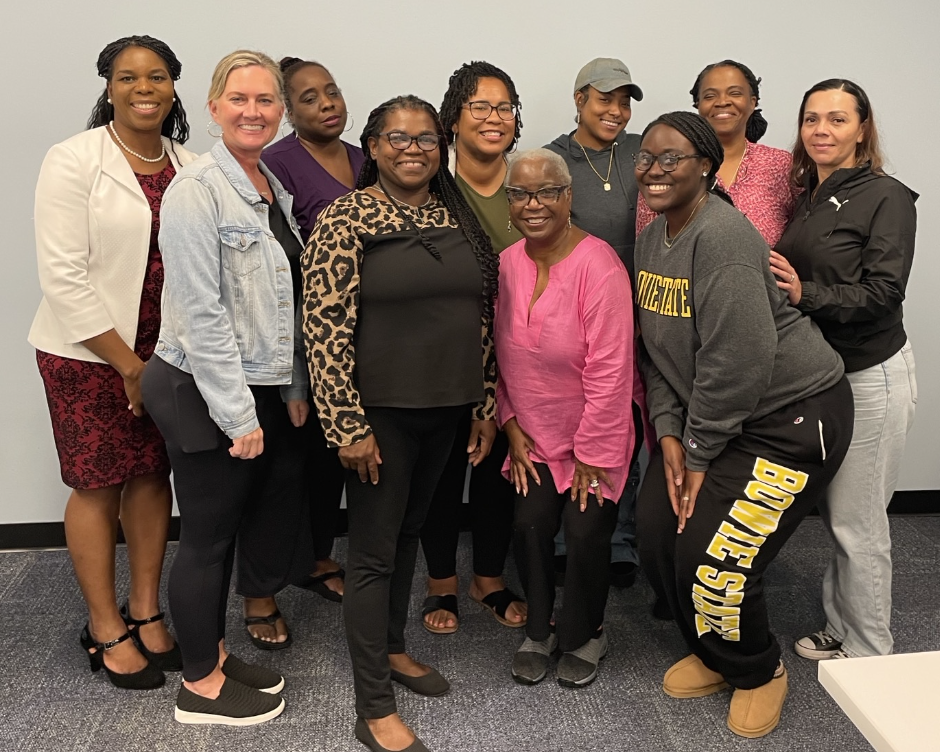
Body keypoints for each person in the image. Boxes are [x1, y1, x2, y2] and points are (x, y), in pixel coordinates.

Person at [633, 111, 855, 738]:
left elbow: (738, 360)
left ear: (706, 164)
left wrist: (698, 454)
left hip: (791, 415)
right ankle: (715, 654)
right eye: (646, 157)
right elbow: (657, 350)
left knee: (716, 558)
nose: (654, 168)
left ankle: (758, 670)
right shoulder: (654, 239)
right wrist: (670, 435)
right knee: (657, 532)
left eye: (671, 156)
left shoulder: (722, 236)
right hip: (714, 417)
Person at [301, 95, 498, 752]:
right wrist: (344, 425)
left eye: (425, 140)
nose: (413, 150)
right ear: (374, 147)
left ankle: (390, 648)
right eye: (398, 139)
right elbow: (323, 328)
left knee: (411, 532)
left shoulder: (452, 215)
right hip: (378, 414)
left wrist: (482, 401)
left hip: (446, 406)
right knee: (374, 554)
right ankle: (372, 706)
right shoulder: (345, 218)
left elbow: (479, 318)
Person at [142, 50, 309, 726]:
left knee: (232, 526)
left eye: (265, 100)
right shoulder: (196, 188)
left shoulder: (269, 183)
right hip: (198, 384)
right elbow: (202, 312)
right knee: (208, 536)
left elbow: (282, 300)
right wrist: (239, 415)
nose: (252, 110)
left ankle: (206, 655)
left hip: (250, 381)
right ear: (212, 108)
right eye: (238, 98)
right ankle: (199, 689)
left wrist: (291, 386)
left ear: (279, 111)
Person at [29, 35, 197, 690]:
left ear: (174, 86)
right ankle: (104, 625)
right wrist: (130, 366)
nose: (143, 88)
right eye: (127, 77)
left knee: (154, 475)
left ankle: (146, 609)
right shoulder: (73, 160)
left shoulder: (189, 162)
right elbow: (63, 277)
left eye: (156, 76)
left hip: (167, 351)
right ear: (108, 87)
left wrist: (158, 362)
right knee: (98, 483)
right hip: (88, 352)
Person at [771, 79, 917, 661]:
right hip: (826, 374)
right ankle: (842, 626)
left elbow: (883, 293)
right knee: (839, 515)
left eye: (836, 119)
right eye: (811, 119)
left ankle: (870, 652)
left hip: (872, 372)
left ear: (863, 127)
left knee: (859, 523)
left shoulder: (887, 196)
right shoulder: (812, 191)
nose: (822, 131)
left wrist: (805, 292)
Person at [497, 148, 635, 689]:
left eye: (546, 192)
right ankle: (539, 628)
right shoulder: (508, 262)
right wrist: (508, 421)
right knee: (529, 524)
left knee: (583, 531)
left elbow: (612, 369)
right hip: (530, 434)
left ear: (568, 196)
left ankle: (584, 633)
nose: (533, 204)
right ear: (509, 202)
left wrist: (592, 453)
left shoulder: (599, 266)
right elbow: (500, 357)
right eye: (520, 193)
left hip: (593, 436)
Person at [419, 60, 525, 636]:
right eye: (478, 106)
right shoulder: (432, 185)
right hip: (447, 354)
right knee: (442, 467)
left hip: (521, 354)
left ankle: (488, 576)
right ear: (453, 119)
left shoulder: (532, 183)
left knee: (499, 469)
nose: (493, 117)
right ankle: (440, 581)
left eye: (504, 107)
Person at [262, 56, 366, 605]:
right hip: (312, 338)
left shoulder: (366, 157)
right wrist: (299, 375)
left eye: (332, 90)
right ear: (287, 110)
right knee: (301, 461)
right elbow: (282, 272)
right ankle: (288, 567)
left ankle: (324, 553)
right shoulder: (274, 164)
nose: (327, 103)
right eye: (309, 97)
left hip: (370, 335)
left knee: (340, 458)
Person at [545, 57, 648, 592]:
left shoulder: (642, 153)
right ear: (580, 97)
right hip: (580, 322)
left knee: (628, 433)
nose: (617, 110)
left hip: (649, 319)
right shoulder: (554, 160)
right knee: (577, 427)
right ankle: (568, 542)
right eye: (606, 98)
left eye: (625, 101)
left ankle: (621, 541)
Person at [636, 60, 795, 248]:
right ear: (698, 105)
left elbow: (805, 236)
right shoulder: (669, 165)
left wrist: (793, 277)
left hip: (760, 277)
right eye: (710, 96)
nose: (722, 102)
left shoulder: (780, 164)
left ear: (752, 102)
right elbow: (647, 243)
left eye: (734, 93)